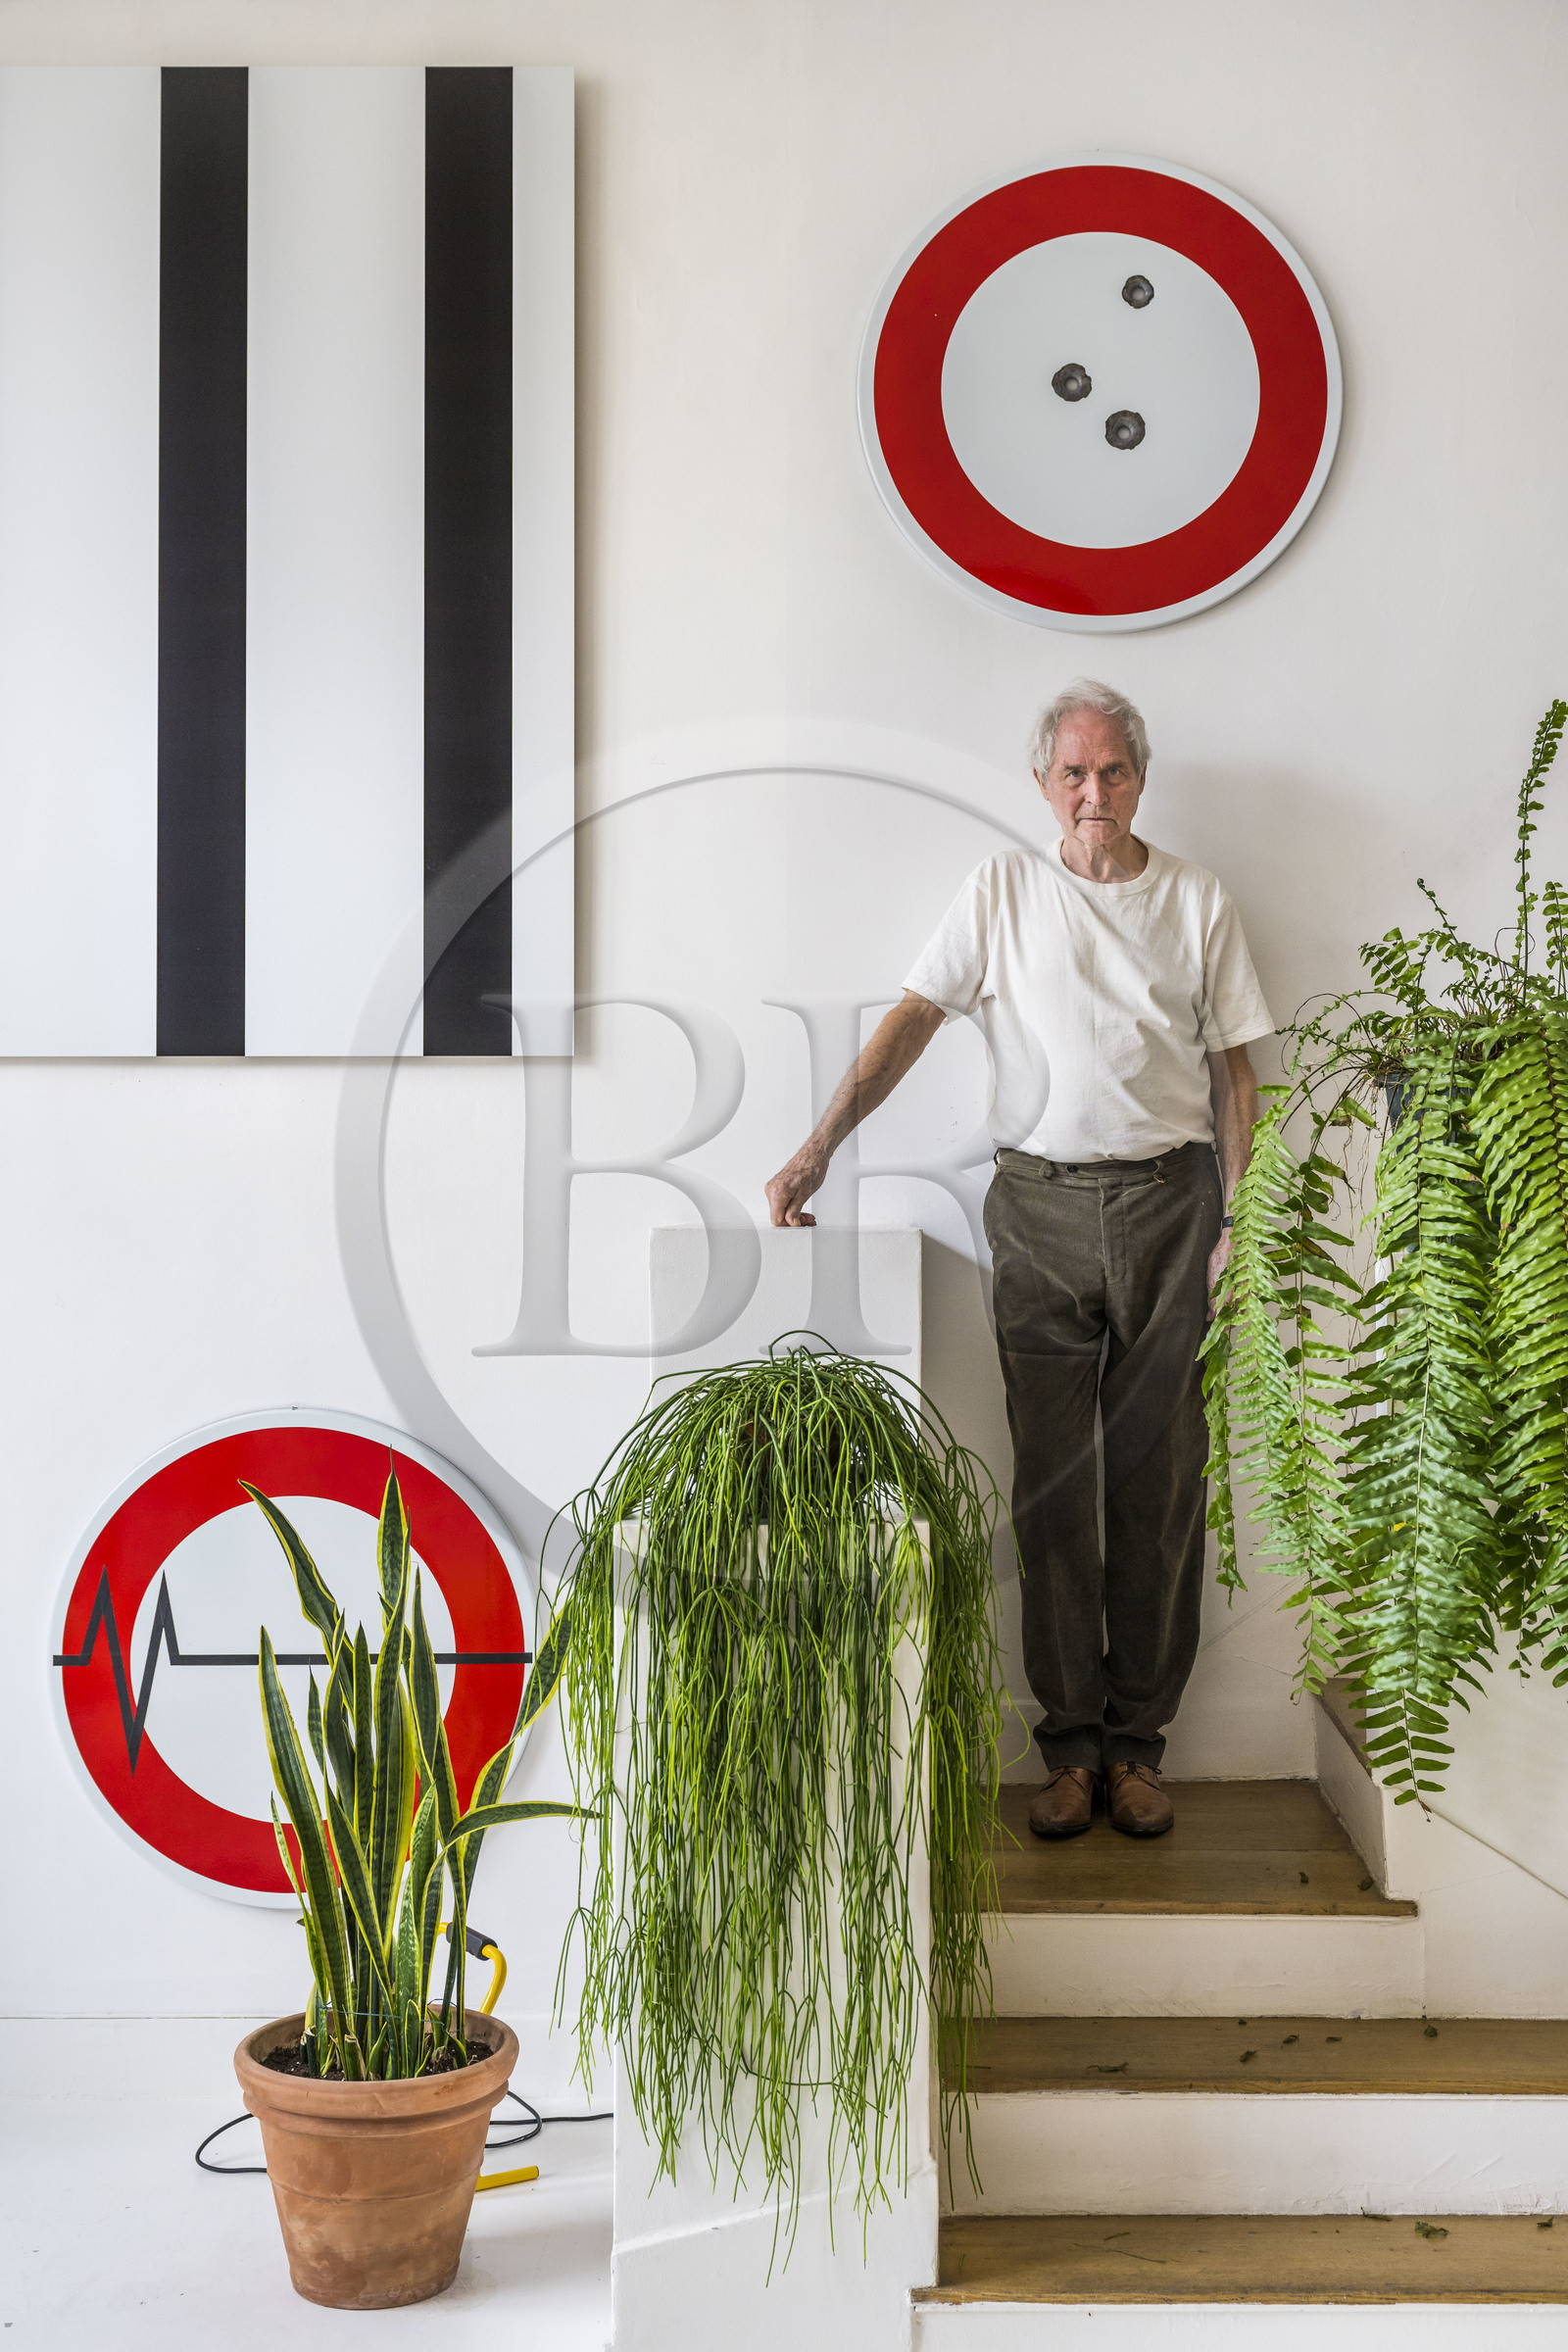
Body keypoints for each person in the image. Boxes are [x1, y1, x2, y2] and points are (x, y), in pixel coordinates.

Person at [764, 680, 1271, 1841]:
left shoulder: (1195, 900)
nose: (1094, 793)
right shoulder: (1000, 889)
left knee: (1158, 1489)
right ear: (1044, 783)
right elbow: (911, 1021)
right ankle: (1071, 1750)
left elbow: (1236, 1075)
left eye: (1113, 771)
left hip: (1171, 1209)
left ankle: (1138, 1748)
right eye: (1073, 773)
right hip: (1036, 1211)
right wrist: (816, 1147)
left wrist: (1240, 1226)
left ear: (1140, 778)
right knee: (1051, 1488)